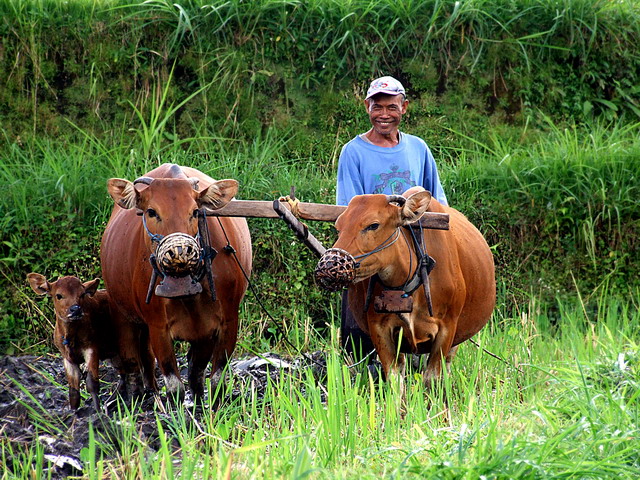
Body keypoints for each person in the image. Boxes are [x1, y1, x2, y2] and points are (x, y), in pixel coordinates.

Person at [335, 75, 448, 361]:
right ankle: (361, 362)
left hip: (416, 247)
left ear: (404, 108)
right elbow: (350, 209)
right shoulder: (353, 152)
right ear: (367, 107)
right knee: (358, 303)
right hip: (373, 245)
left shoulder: (418, 148)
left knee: (440, 293)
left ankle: (427, 344)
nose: (384, 114)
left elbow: (436, 201)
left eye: (391, 107)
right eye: (377, 107)